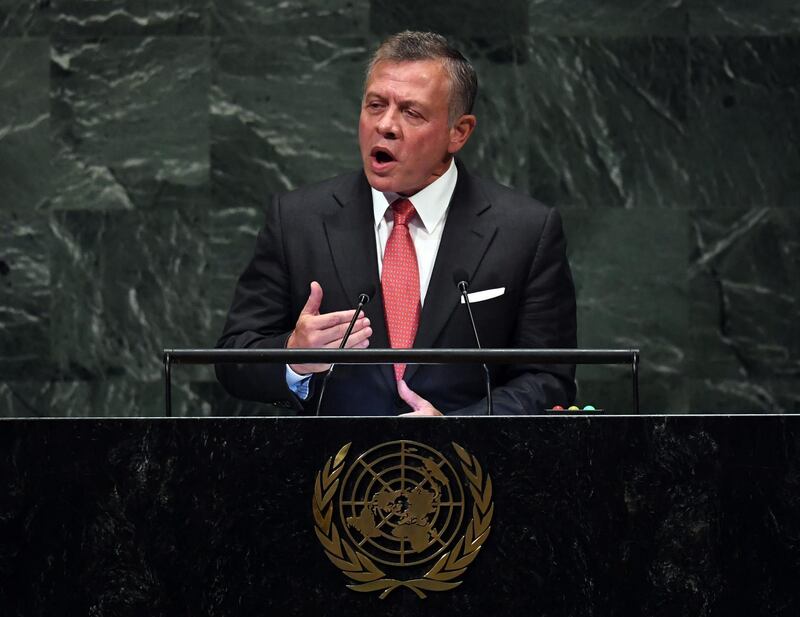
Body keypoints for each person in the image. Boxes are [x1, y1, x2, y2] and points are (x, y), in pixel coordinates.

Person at [215, 31, 577, 416]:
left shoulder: (525, 230)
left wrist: (458, 429)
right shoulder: (297, 220)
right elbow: (234, 359)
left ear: (459, 132)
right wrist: (293, 355)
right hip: (330, 470)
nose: (385, 125)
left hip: (468, 471)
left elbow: (547, 378)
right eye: (375, 105)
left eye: (411, 112)